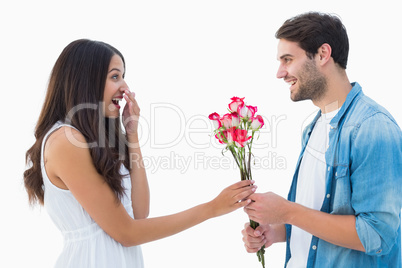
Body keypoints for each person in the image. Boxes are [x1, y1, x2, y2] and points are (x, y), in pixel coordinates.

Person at [24, 39, 257, 268]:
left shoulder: (96, 140)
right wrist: (211, 208)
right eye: (115, 76)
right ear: (86, 81)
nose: (125, 87)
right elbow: (127, 232)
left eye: (123, 76)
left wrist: (132, 135)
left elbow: (139, 212)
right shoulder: (65, 140)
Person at [241, 12, 402, 267]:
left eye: (288, 59)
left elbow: (377, 235)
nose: (280, 73)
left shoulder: (372, 128)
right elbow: (320, 216)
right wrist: (275, 231)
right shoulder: (314, 127)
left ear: (323, 54)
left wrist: (287, 211)